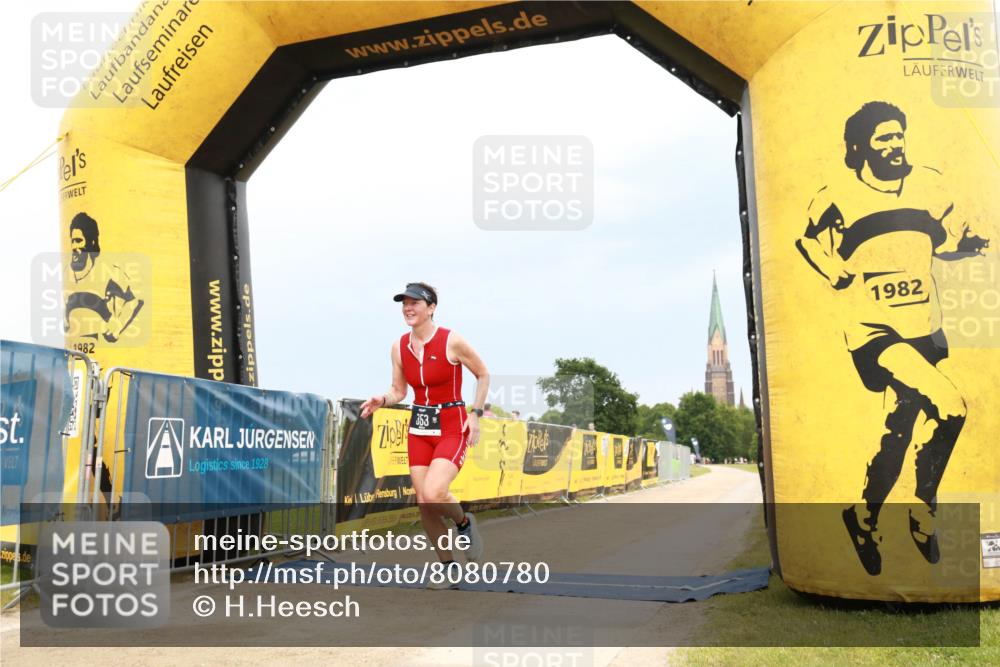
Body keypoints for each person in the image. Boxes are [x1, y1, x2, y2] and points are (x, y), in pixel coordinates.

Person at [796, 100, 990, 576]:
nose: (895, 144)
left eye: (899, 135)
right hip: (874, 330)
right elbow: (808, 239)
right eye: (883, 137)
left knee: (897, 433)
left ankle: (862, 516)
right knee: (951, 407)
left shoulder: (928, 185)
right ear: (860, 147)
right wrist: (833, 269)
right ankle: (923, 512)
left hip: (923, 328)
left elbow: (940, 245)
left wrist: (966, 247)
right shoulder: (838, 195)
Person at [360, 282, 489, 589]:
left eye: (415, 302)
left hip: (451, 425)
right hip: (419, 427)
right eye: (404, 303)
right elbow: (399, 390)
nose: (408, 308)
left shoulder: (451, 340)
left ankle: (464, 523)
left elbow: (483, 373)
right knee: (424, 502)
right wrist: (383, 399)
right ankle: (448, 568)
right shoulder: (399, 346)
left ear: (431, 308)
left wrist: (476, 413)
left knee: (434, 492)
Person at [65, 212, 144, 348]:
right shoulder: (66, 272)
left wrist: (118, 327)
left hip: (103, 347)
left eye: (78, 241)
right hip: (76, 350)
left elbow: (135, 301)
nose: (74, 247)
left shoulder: (108, 272)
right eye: (72, 241)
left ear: (91, 243)